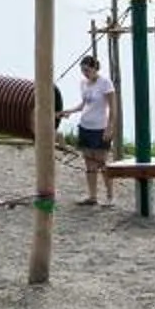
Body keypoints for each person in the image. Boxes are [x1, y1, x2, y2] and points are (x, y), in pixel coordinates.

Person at [68, 52, 116, 206]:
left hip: (100, 128)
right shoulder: (83, 83)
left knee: (102, 162)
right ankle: (92, 196)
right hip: (85, 126)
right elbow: (83, 105)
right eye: (83, 71)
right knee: (89, 164)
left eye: (87, 70)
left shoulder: (105, 83)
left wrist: (109, 128)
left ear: (95, 68)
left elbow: (113, 109)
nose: (85, 74)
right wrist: (67, 112)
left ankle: (110, 196)